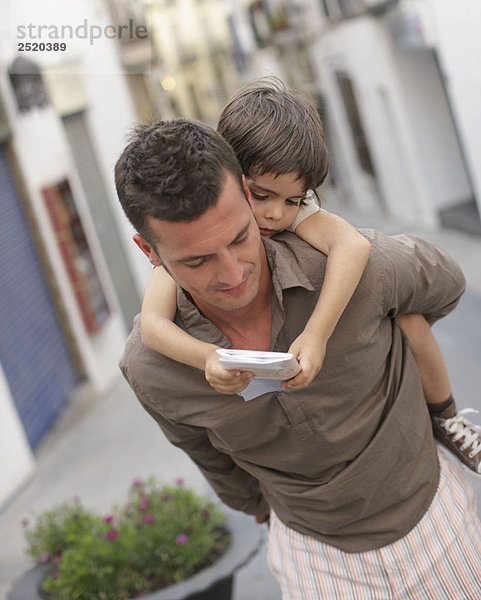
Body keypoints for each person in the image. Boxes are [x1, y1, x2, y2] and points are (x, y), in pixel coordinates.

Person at [115, 117, 481, 597]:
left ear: (251, 198)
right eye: (197, 260)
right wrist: (262, 510)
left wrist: (397, 331)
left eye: (239, 238)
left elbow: (445, 282)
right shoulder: (151, 368)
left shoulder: (350, 269)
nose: (231, 274)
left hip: (436, 522)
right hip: (312, 558)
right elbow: (208, 456)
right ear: (149, 251)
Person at [139, 79, 481, 476]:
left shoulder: (294, 214)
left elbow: (352, 246)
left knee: (410, 321)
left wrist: (317, 333)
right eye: (260, 196)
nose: (274, 215)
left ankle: (446, 416)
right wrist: (207, 358)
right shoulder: (203, 235)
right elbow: (152, 325)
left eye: (293, 201)